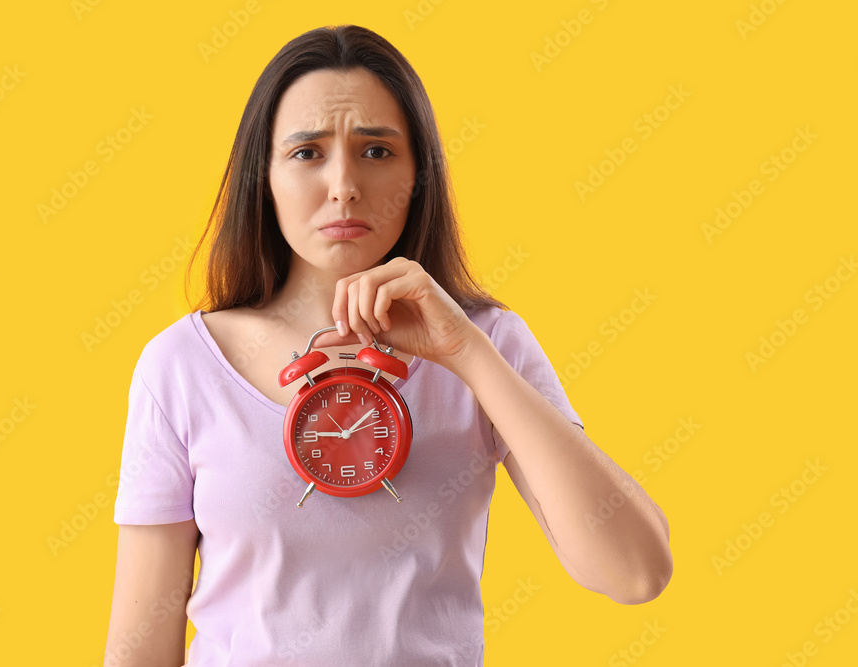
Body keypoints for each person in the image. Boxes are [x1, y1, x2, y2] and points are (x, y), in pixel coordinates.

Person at [104, 24, 672, 667]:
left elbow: (634, 573)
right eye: (307, 153)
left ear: (419, 175)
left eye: (376, 151)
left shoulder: (489, 344)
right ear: (261, 177)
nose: (343, 183)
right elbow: (140, 646)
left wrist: (463, 351)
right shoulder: (183, 366)